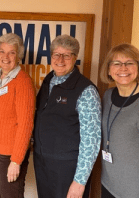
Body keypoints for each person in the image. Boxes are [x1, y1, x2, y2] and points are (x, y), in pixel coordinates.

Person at [34, 34, 101, 198]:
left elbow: (91, 141)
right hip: (43, 163)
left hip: (67, 168)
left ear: (75, 58)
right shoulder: (48, 81)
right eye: (56, 54)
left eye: (67, 55)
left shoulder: (87, 91)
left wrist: (79, 181)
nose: (60, 60)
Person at [0, 33, 36, 198]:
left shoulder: (23, 82)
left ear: (19, 56)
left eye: (11, 52)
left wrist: (16, 161)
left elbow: (26, 125)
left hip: (9, 155)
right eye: (2, 51)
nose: (5, 57)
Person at [99, 43, 139, 198]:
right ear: (109, 69)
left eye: (129, 63)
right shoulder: (107, 96)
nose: (123, 68)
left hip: (135, 190)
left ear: (138, 67)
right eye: (116, 63)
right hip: (108, 183)